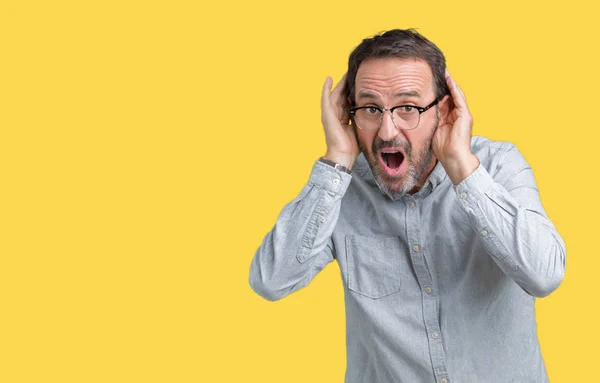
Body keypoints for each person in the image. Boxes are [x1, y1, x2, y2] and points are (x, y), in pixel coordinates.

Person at [248, 29, 566, 383]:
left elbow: (544, 275)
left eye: (408, 108)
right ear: (348, 114)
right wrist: (336, 160)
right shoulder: (340, 189)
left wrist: (462, 167)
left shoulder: (499, 165)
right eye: (370, 108)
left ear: (443, 109)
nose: (387, 131)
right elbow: (271, 281)